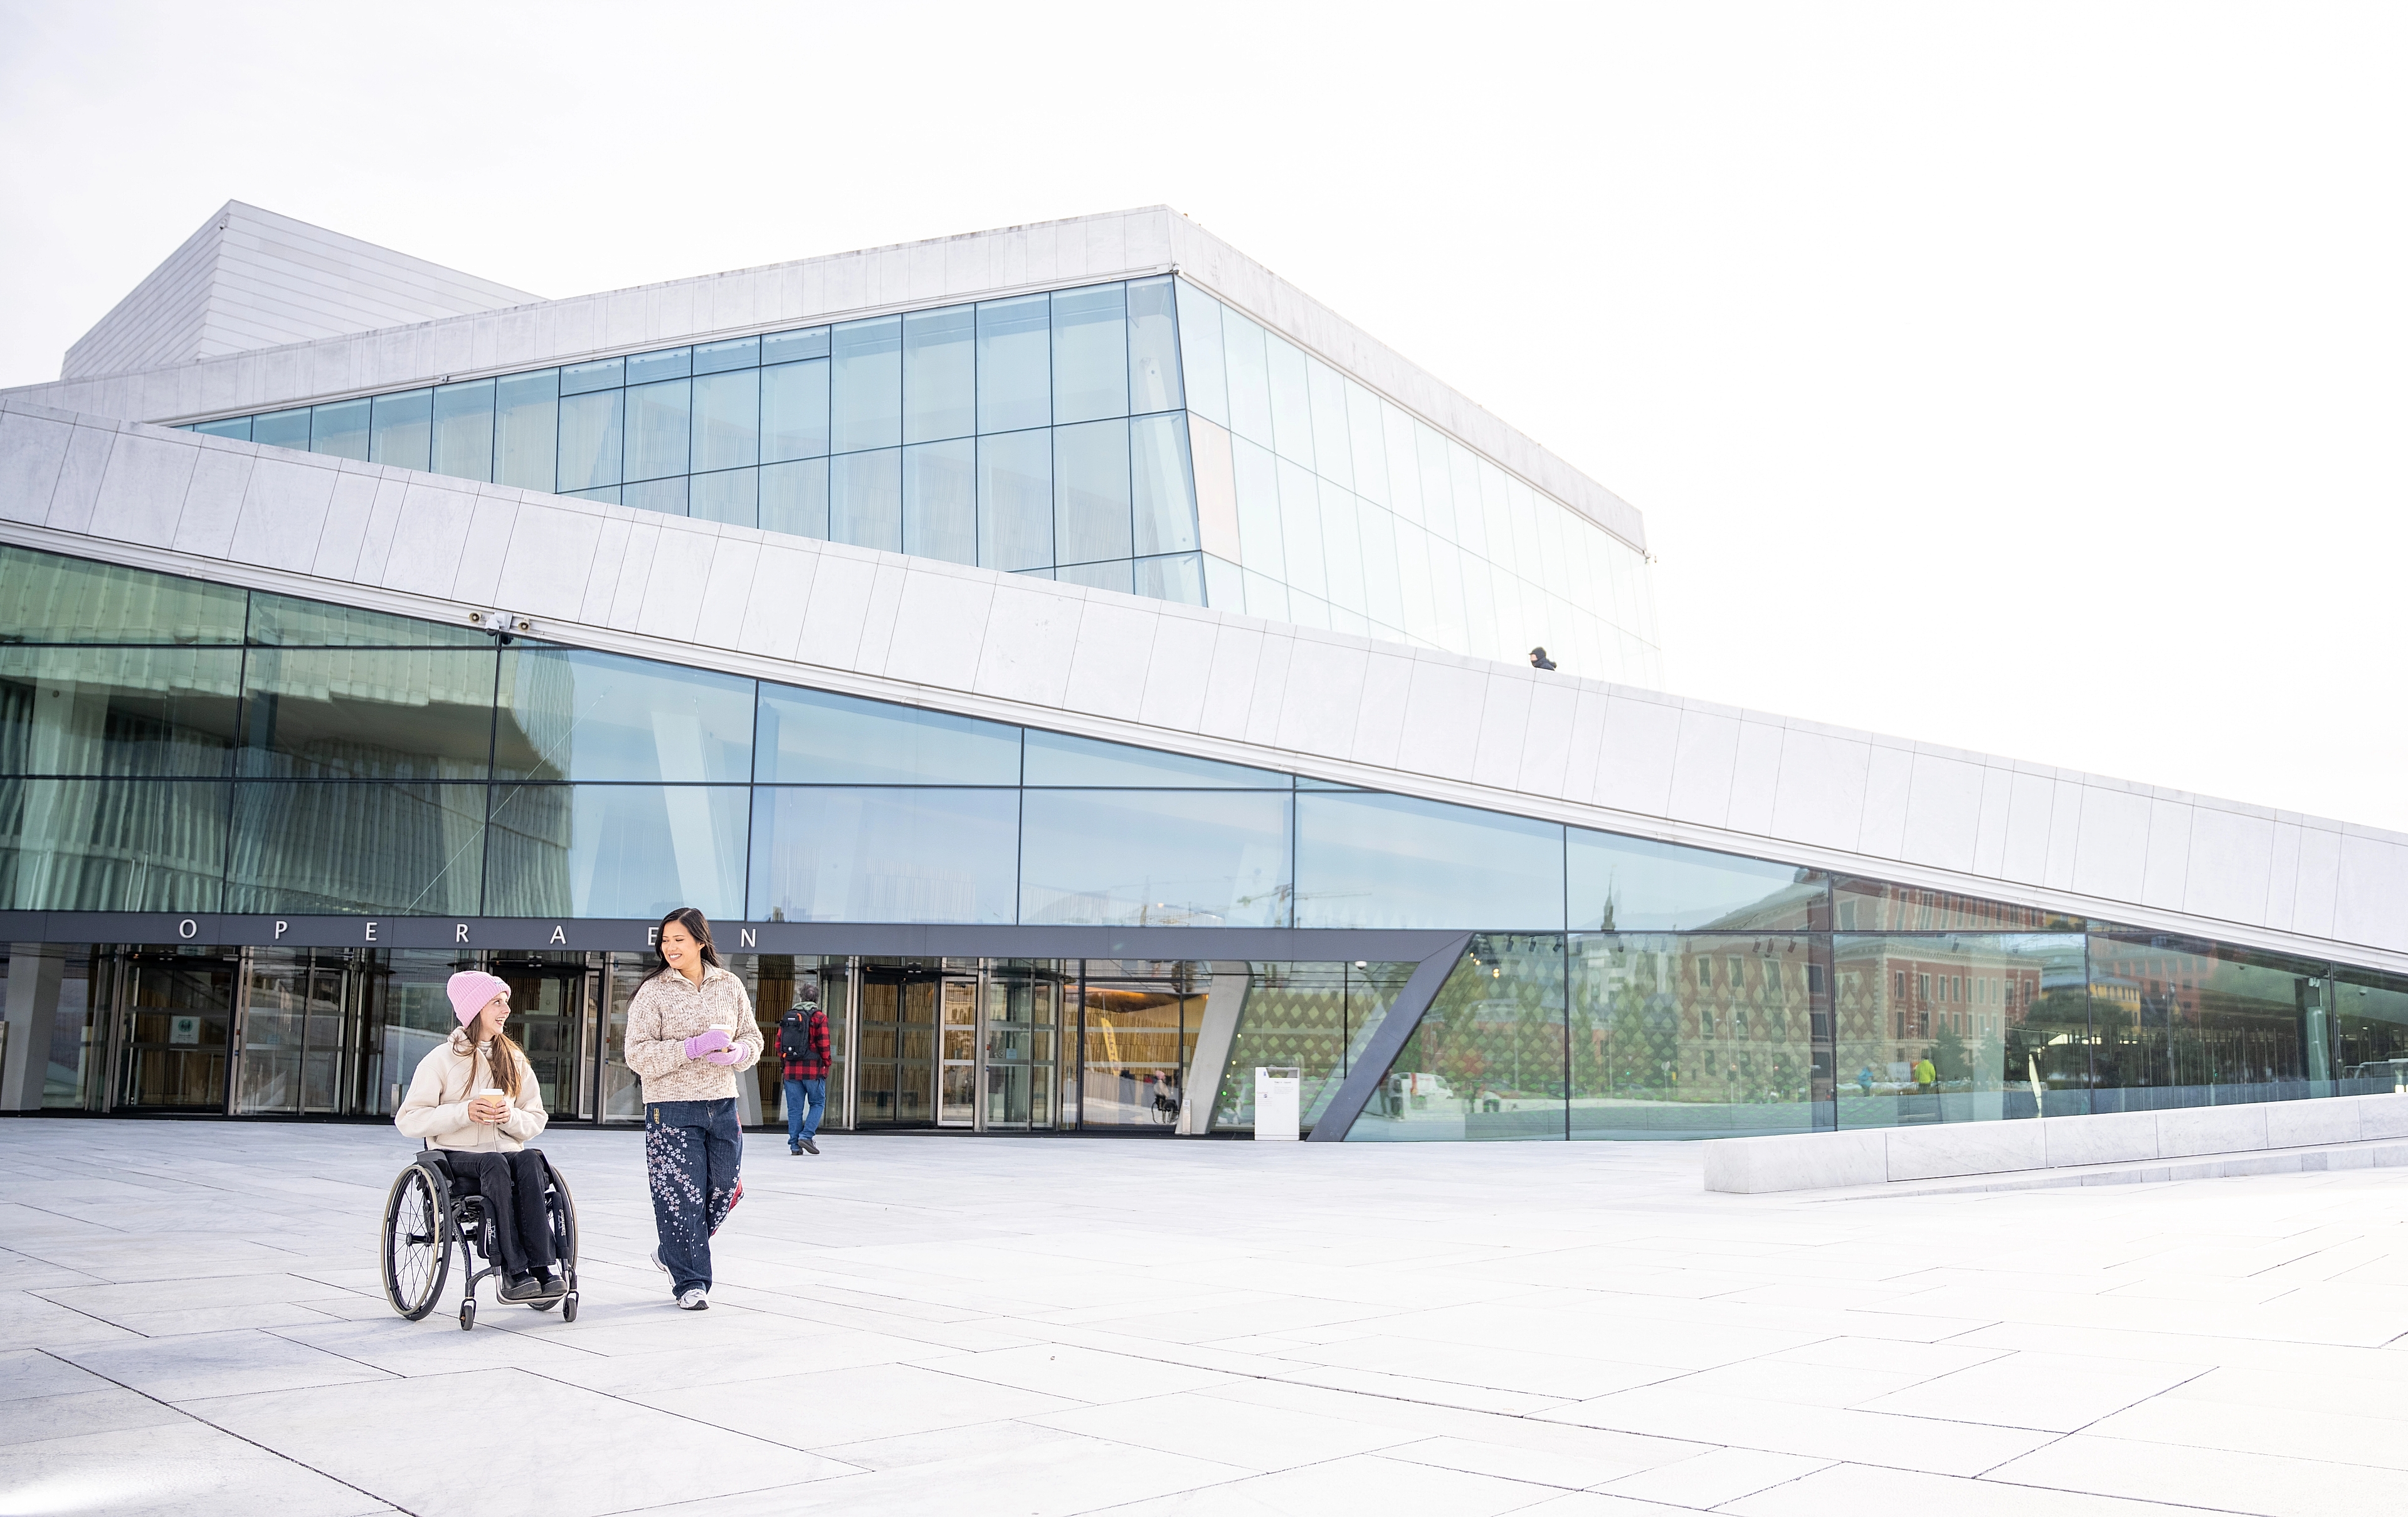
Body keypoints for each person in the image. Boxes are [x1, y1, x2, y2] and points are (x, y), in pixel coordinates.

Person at [624, 906, 762, 1310]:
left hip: (722, 1103)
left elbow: (754, 1040)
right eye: (665, 941)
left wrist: (738, 1052)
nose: (669, 947)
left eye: (678, 940)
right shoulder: (654, 992)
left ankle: (672, 1250)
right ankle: (690, 1281)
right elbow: (636, 1054)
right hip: (671, 1107)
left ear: (701, 941)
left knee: (723, 1188)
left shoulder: (730, 985)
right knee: (680, 1196)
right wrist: (689, 1049)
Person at [394, 971, 560, 1304]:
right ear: (475, 1010)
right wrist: (463, 1112)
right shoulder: (440, 1060)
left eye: (506, 1002)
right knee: (495, 1163)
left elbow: (537, 1117)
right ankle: (513, 1271)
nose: (506, 1010)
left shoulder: (513, 1059)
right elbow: (408, 1120)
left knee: (529, 1158)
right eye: (497, 1002)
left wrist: (509, 1117)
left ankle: (543, 1267)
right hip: (458, 1160)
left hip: (505, 1155)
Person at [777, 978, 830, 1156]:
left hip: (791, 1071)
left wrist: (786, 1063)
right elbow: (824, 1045)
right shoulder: (819, 1017)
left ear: (801, 997)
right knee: (817, 1103)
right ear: (816, 999)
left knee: (794, 1109)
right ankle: (806, 1135)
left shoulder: (789, 1016)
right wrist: (827, 1064)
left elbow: (779, 1045)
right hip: (813, 1070)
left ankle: (794, 1145)